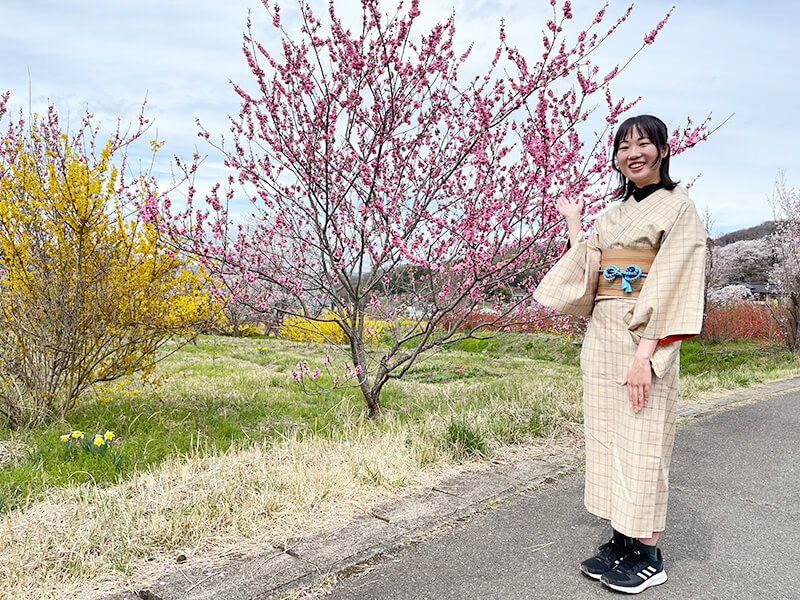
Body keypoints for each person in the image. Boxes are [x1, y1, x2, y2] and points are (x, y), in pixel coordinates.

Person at [532, 114, 706, 594]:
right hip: (604, 337)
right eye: (624, 145)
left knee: (645, 443)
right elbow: (589, 272)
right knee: (610, 441)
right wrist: (573, 223)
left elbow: (672, 284)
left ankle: (649, 554)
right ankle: (621, 540)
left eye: (644, 144)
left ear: (664, 150)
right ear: (616, 157)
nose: (634, 153)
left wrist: (644, 356)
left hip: (644, 340)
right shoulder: (609, 216)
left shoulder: (679, 208)